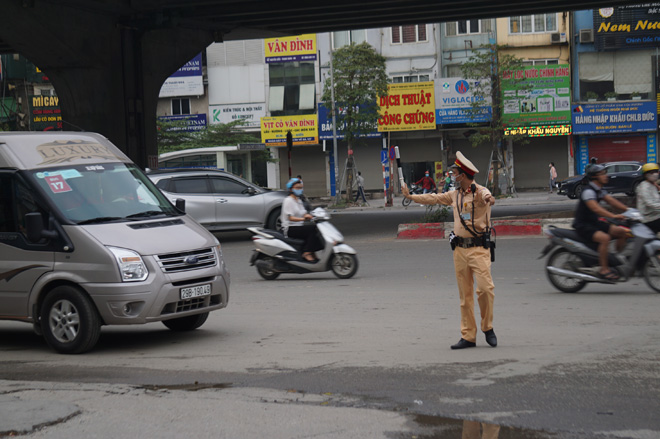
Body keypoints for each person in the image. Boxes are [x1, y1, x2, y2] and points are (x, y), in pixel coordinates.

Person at [402, 151, 497, 350]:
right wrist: (410, 196)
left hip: (479, 249)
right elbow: (433, 198)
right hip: (459, 251)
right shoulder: (454, 195)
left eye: (455, 173)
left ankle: (487, 327)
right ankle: (468, 336)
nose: (452, 176)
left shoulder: (480, 192)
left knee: (486, 289)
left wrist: (489, 198)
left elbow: (487, 196)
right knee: (465, 296)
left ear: (463, 175)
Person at [572, 164, 629, 281]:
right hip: (583, 225)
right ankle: (604, 269)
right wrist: (614, 216)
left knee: (622, 232)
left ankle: (615, 260)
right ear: (594, 177)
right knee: (605, 238)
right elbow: (596, 209)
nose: (606, 176)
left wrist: (629, 210)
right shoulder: (588, 191)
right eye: (602, 174)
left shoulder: (599, 190)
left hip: (594, 222)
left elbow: (611, 201)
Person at [280, 178, 323, 262]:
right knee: (311, 230)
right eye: (297, 188)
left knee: (318, 229)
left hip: (298, 226)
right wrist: (303, 218)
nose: (300, 190)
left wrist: (313, 216)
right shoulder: (288, 200)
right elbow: (290, 218)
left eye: (301, 188)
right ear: (291, 189)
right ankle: (307, 252)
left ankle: (311, 250)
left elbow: (303, 212)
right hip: (290, 228)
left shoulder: (298, 200)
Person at [635, 162, 660, 234]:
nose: (655, 174)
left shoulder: (652, 184)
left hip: (655, 215)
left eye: (656, 172)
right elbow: (649, 203)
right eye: (652, 172)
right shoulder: (644, 187)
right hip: (648, 218)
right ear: (646, 175)